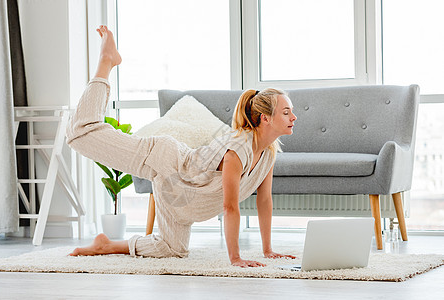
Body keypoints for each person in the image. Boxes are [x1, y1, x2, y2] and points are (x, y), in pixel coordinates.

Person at [67, 25, 297, 268]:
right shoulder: (237, 150)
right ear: (265, 118)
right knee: (80, 133)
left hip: (182, 197)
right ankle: (106, 60)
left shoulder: (269, 153)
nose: (294, 117)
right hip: (166, 161)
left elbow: (265, 201)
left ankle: (106, 245)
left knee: (171, 250)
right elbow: (229, 207)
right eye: (286, 112)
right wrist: (236, 258)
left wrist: (268, 250)